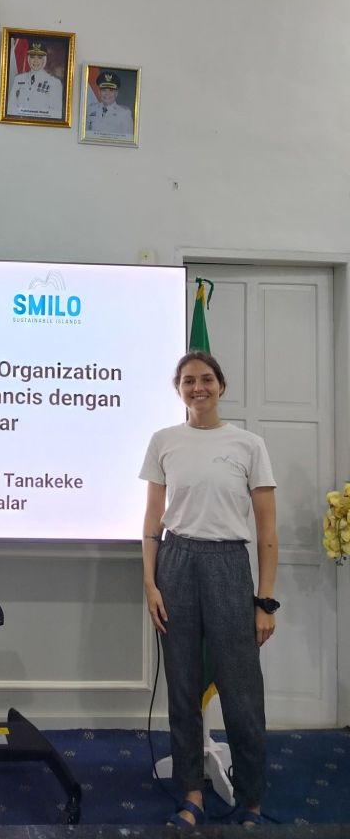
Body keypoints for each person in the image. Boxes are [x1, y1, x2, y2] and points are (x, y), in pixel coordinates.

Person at [140, 350, 278, 831]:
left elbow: (267, 530)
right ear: (178, 390)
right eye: (187, 381)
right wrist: (150, 583)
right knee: (182, 688)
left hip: (227, 565)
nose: (197, 387)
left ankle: (251, 800)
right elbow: (152, 521)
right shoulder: (164, 441)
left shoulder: (248, 445)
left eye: (205, 379)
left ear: (221, 385)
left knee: (241, 691)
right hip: (175, 563)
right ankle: (192, 794)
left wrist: (265, 601)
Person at [6, 41, 63, 119]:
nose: (35, 61)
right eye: (32, 57)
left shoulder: (54, 83)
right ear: (28, 59)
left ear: (44, 60)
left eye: (40, 57)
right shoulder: (18, 79)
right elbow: (10, 106)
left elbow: (56, 113)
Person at [86, 70, 134, 137]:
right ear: (99, 92)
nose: (107, 94)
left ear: (116, 93)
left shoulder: (125, 114)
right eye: (104, 90)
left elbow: (128, 139)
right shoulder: (90, 109)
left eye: (111, 90)